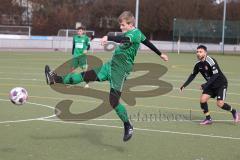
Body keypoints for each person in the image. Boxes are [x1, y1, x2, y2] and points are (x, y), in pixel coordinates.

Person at [45, 11, 168, 141]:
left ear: (130, 24)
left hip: (120, 72)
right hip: (109, 66)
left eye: (122, 25)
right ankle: (54, 79)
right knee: (84, 76)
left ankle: (128, 125)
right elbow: (147, 42)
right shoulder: (131, 32)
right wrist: (160, 54)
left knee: (113, 101)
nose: (121, 27)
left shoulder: (135, 34)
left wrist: (109, 37)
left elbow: (125, 39)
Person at [180, 45, 239, 125]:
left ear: (205, 53)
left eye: (200, 52)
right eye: (197, 52)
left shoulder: (211, 61)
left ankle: (234, 111)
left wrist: (205, 85)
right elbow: (193, 75)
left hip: (221, 84)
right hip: (211, 84)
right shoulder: (197, 64)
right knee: (202, 100)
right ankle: (208, 119)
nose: (198, 53)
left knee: (220, 104)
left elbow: (216, 75)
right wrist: (184, 85)